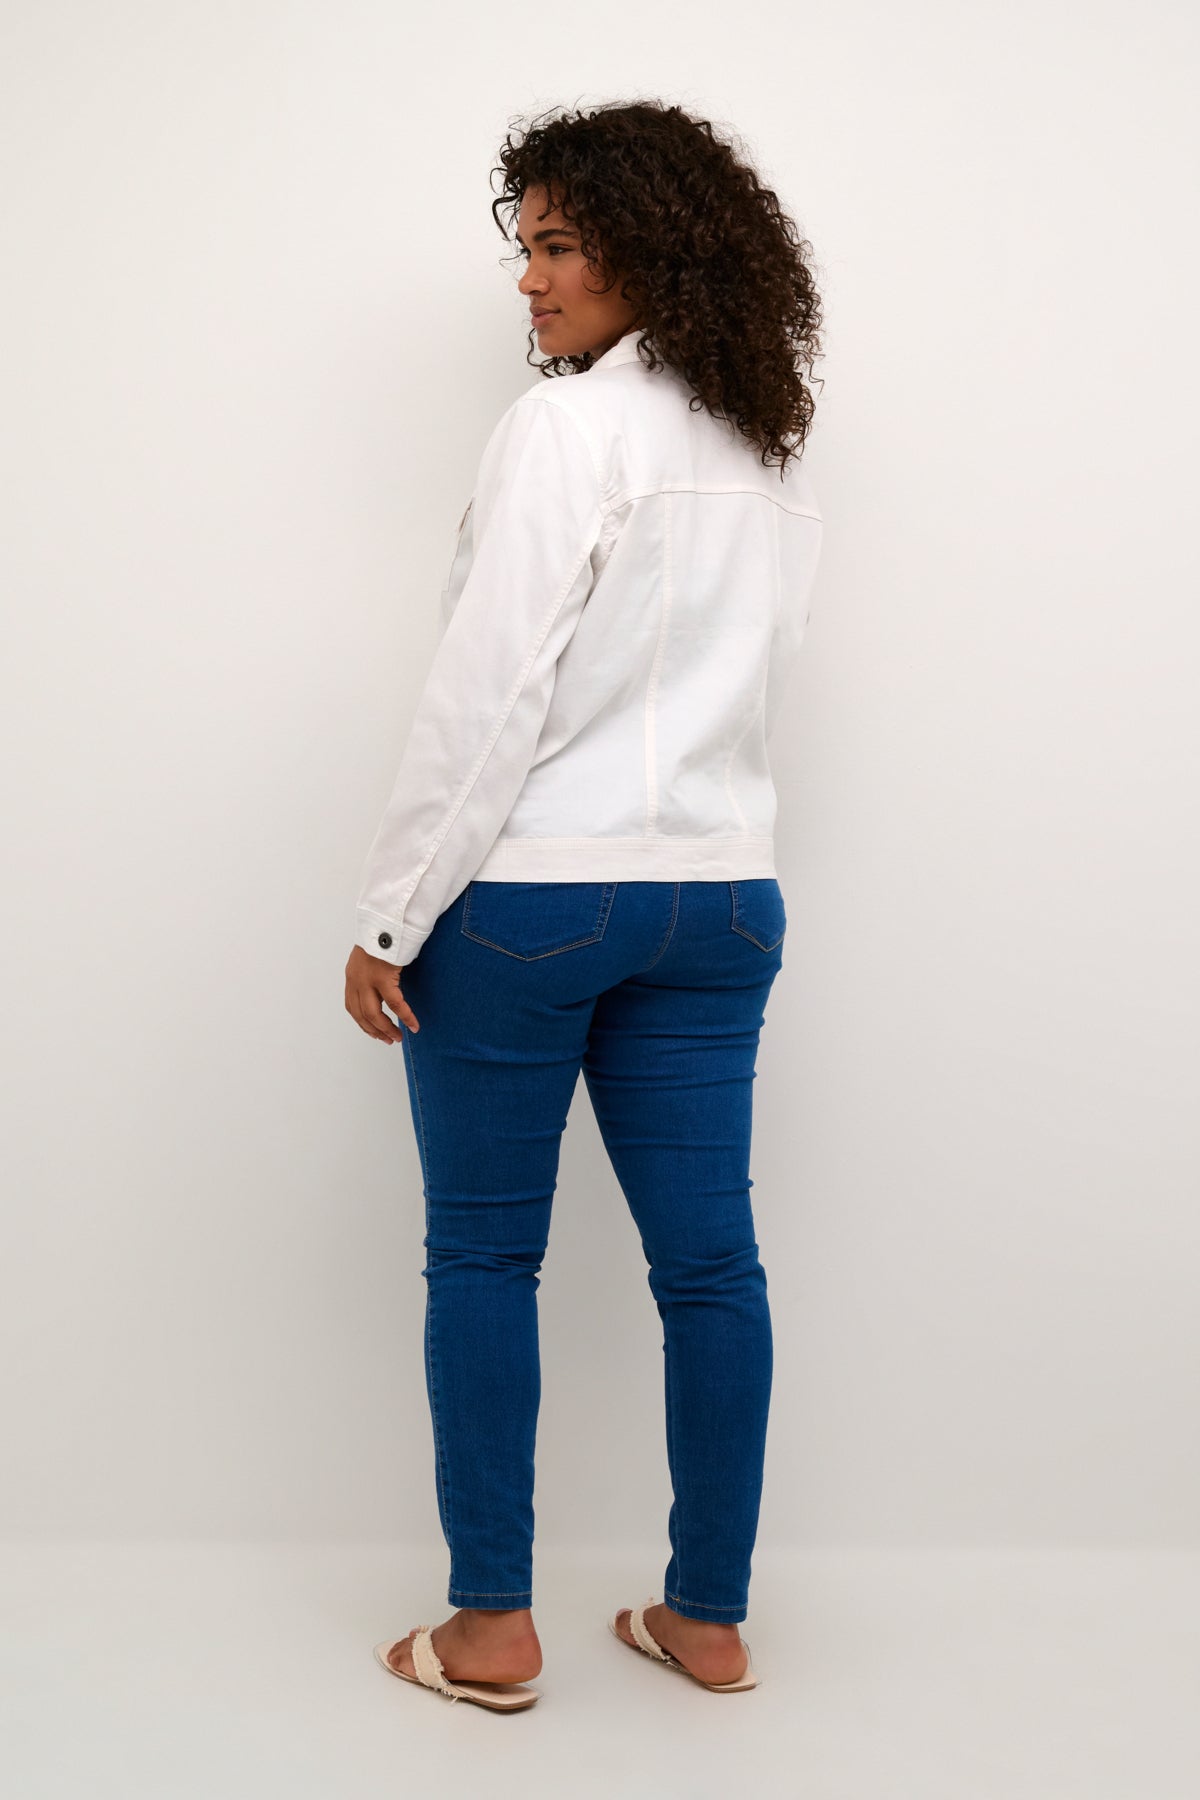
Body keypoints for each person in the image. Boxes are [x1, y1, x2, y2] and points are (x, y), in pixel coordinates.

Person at [345, 98, 825, 1711]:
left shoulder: (567, 431)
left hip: (537, 901)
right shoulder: (761, 451)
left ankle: (492, 1631)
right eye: (529, 247)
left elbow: (493, 690)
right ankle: (707, 1619)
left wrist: (391, 914)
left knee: (484, 1258)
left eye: (560, 246)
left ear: (652, 254)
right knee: (713, 1267)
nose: (531, 280)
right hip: (720, 900)